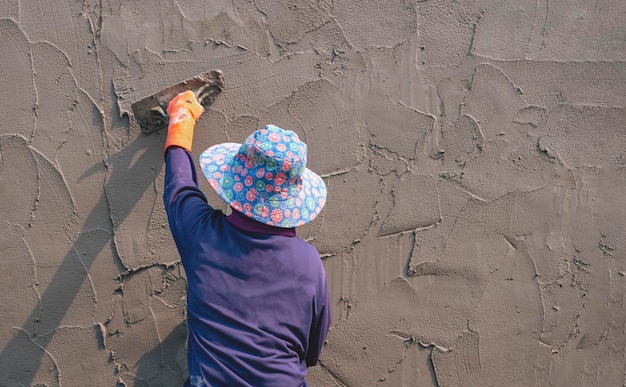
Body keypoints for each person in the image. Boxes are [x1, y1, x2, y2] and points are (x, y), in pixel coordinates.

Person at [162, 89, 331, 386]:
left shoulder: (201, 235)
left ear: (235, 181)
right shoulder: (309, 264)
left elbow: (179, 188)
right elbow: (312, 351)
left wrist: (181, 120)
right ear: (293, 198)